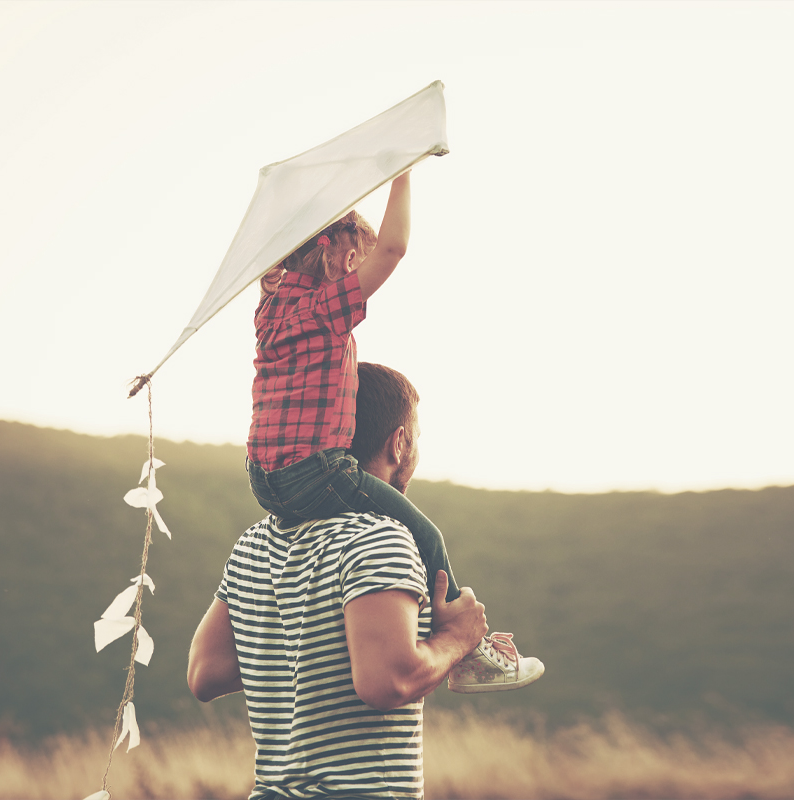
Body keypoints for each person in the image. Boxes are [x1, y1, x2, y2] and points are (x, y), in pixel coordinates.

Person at [189, 363, 544, 800]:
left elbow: (205, 673)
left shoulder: (253, 543)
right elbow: (386, 683)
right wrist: (456, 640)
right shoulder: (378, 535)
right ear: (399, 443)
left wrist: (310, 648)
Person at [243, 171, 539, 692]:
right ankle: (466, 651)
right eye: (358, 260)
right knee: (426, 535)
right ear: (341, 257)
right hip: (314, 471)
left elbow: (331, 253)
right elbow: (395, 248)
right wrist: (401, 172)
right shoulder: (323, 308)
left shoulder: (270, 309)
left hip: (262, 479)